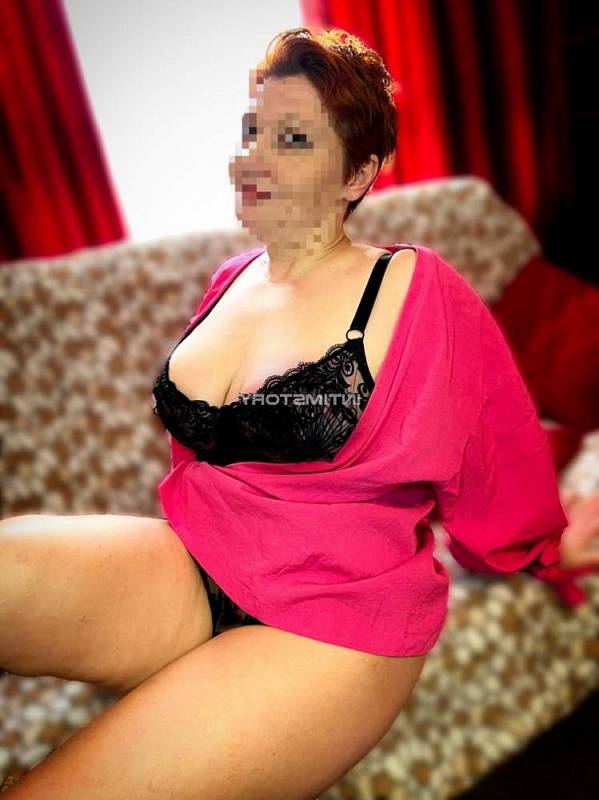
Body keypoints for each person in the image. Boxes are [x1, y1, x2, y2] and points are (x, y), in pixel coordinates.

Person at [0, 26, 597, 800]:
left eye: (293, 138)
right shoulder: (229, 279)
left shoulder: (415, 291)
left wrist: (543, 548)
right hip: (199, 561)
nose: (256, 158)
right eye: (253, 131)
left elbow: (494, 459)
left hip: (336, 621)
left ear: (358, 172)